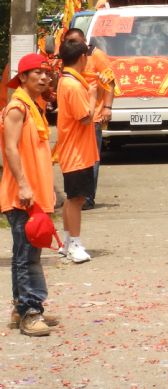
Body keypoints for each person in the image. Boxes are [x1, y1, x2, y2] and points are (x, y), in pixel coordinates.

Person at [1, 53, 59, 337]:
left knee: (24, 253)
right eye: (36, 72)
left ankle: (19, 308)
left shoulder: (34, 106)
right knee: (28, 256)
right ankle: (31, 312)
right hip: (22, 195)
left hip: (34, 193)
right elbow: (10, 149)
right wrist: (24, 185)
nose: (44, 77)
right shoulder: (17, 107)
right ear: (22, 77)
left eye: (46, 73)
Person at [54, 39, 99, 263]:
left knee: (72, 199)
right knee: (77, 199)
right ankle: (75, 243)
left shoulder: (68, 81)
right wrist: (92, 96)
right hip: (76, 152)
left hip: (74, 149)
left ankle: (66, 241)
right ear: (82, 57)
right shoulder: (73, 85)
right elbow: (85, 118)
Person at [62, 27, 115, 209]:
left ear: (84, 42)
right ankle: (78, 196)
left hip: (92, 116)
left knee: (91, 159)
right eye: (70, 43)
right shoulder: (69, 63)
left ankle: (87, 197)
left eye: (76, 43)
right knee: (76, 158)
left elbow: (110, 81)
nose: (73, 47)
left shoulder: (96, 56)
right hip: (75, 118)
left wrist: (107, 107)